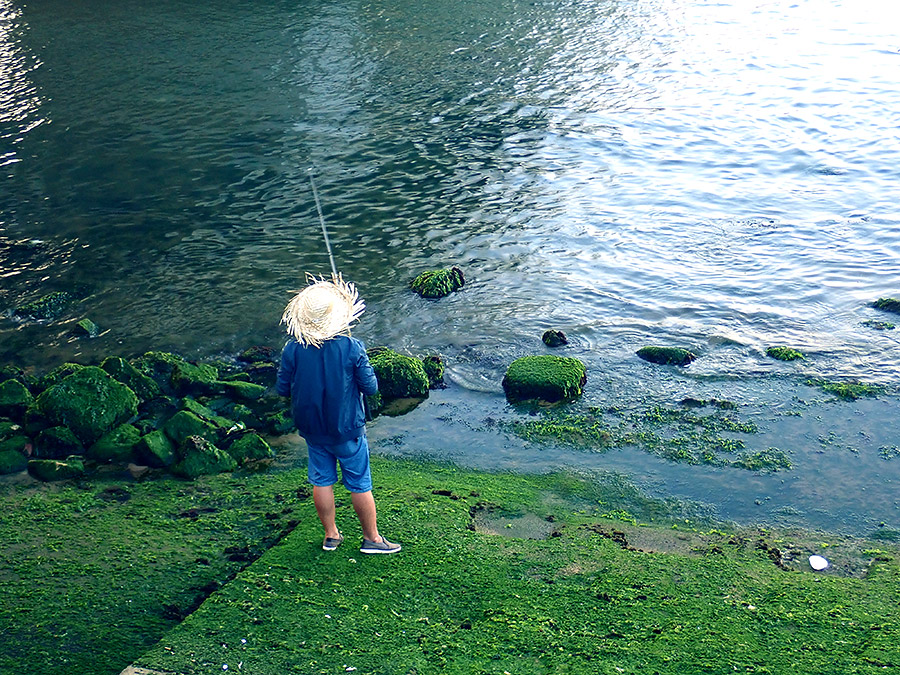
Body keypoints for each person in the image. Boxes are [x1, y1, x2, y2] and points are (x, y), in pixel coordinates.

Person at [275, 274, 400, 555]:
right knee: (359, 482)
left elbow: (282, 387)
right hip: (348, 427)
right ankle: (372, 539)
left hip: (312, 428)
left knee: (322, 480)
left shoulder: (293, 349)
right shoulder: (352, 346)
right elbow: (371, 387)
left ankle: (331, 536)